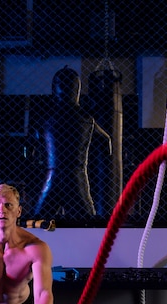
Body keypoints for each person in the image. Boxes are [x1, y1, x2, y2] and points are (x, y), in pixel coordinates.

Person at [33, 65, 112, 221]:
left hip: (53, 174)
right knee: (87, 221)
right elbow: (106, 140)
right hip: (76, 175)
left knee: (38, 220)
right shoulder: (86, 118)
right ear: (76, 90)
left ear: (55, 89)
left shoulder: (46, 118)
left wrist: (39, 152)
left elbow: (35, 140)